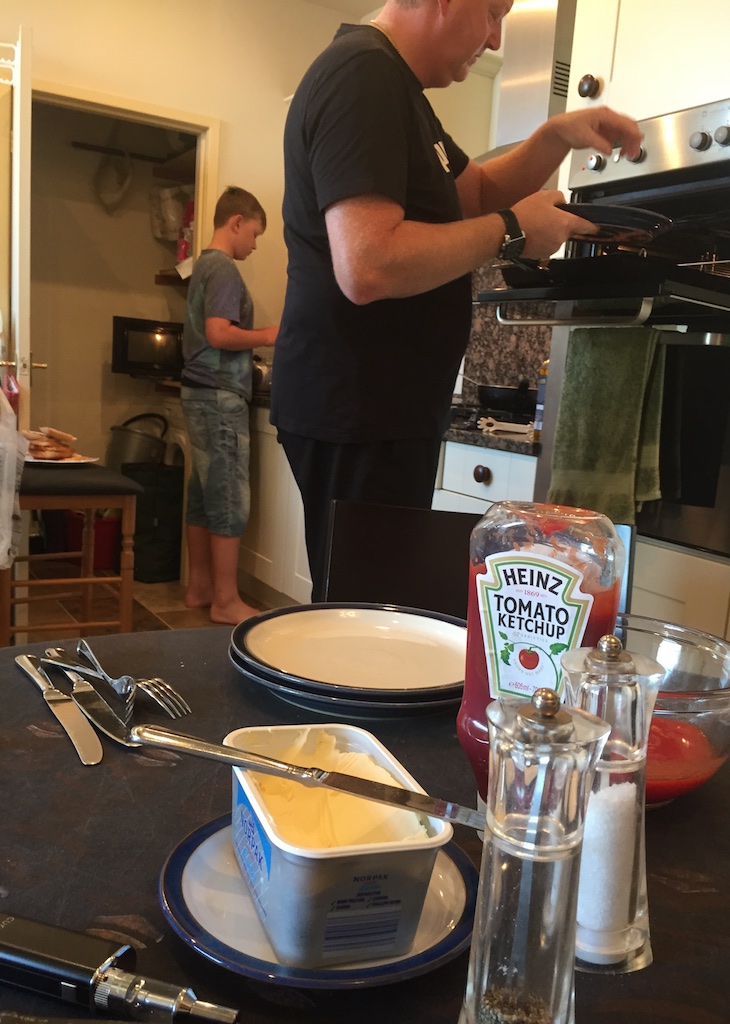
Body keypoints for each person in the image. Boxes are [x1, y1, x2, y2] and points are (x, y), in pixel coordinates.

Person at [270, 0, 643, 600]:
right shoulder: (364, 74)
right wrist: (513, 231)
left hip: (373, 407)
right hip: (360, 404)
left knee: (368, 606)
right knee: (365, 614)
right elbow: (367, 264)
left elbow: (480, 191)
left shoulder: (397, 88)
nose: (495, 40)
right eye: (493, 12)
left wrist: (554, 136)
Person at [181, 186, 278, 624]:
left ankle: (200, 587)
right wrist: (269, 335)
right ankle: (225, 601)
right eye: (254, 233)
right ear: (236, 222)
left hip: (198, 392)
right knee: (227, 498)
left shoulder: (202, 264)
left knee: (203, 494)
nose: (254, 245)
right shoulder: (222, 268)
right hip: (219, 395)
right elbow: (219, 333)